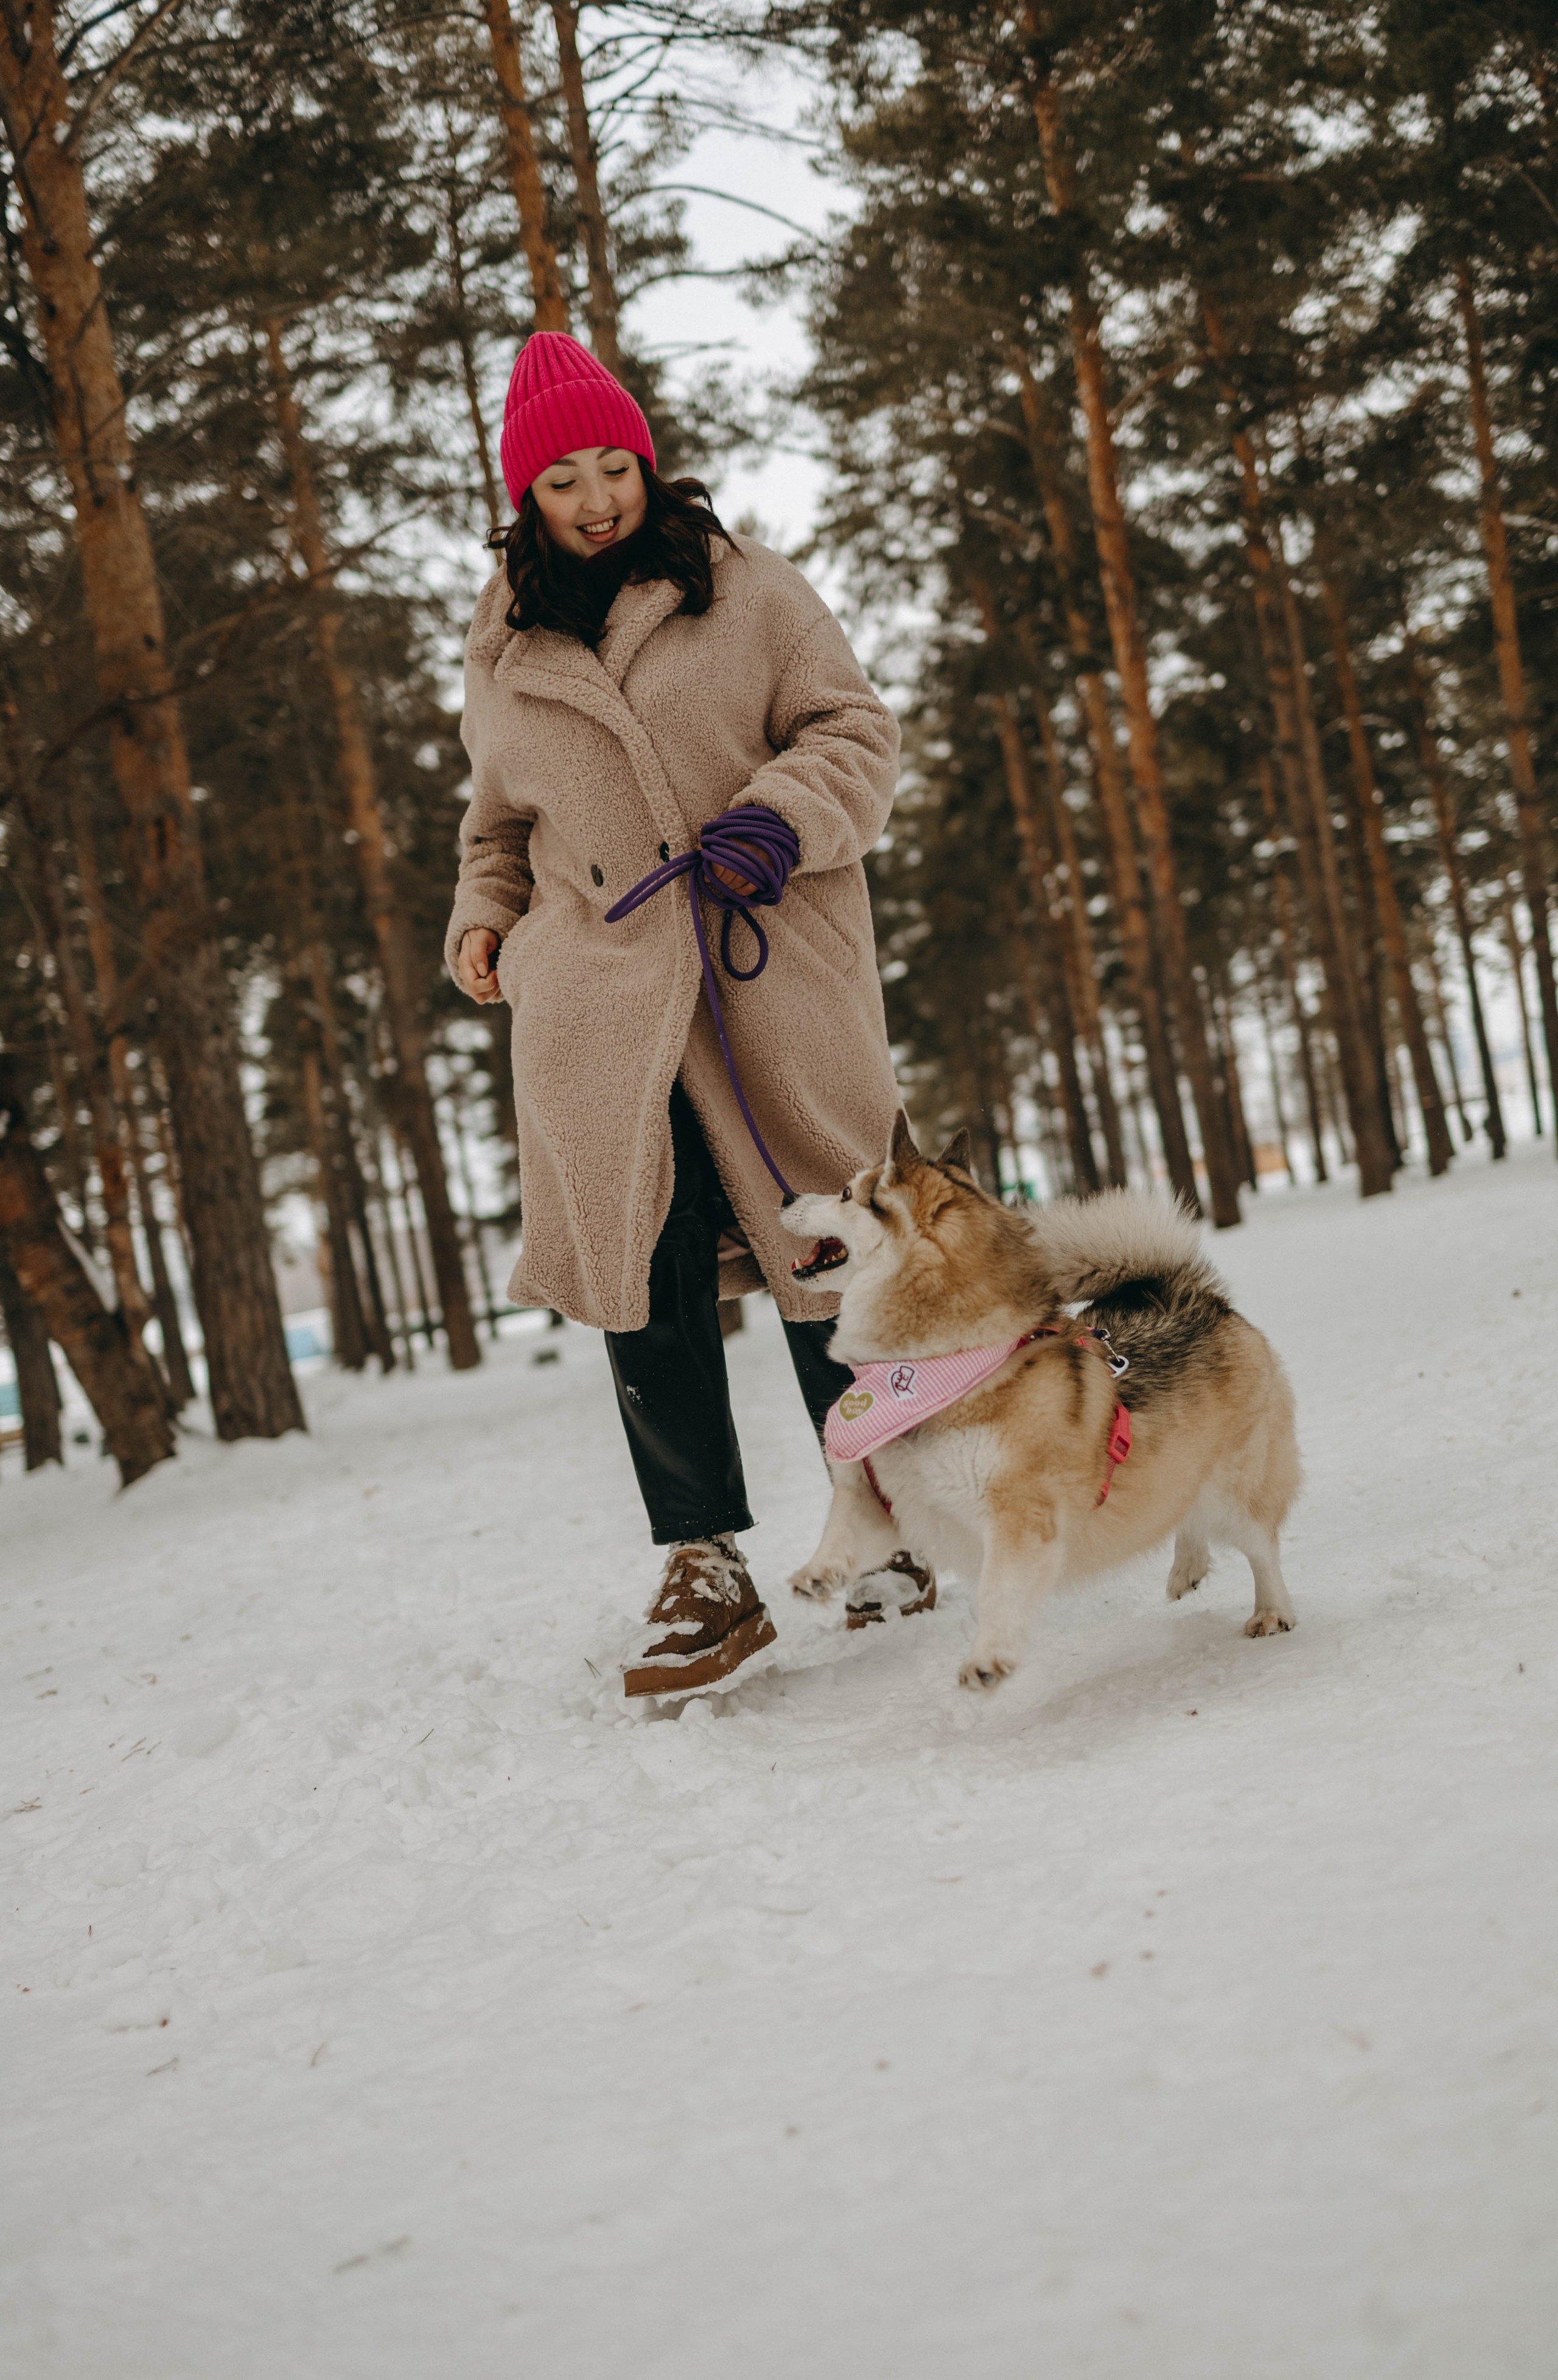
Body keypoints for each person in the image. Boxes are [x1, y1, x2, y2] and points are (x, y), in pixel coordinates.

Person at [446, 331, 930, 1697]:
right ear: (525, 495)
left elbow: (855, 730)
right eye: (562, 481)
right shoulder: (503, 643)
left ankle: (885, 1516)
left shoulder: (748, 589)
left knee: (822, 1245)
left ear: (646, 462)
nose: (596, 499)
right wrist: (484, 918)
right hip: (597, 996)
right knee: (642, 1270)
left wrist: (782, 816)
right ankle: (701, 1562)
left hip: (761, 968)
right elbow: (496, 820)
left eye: (614, 467)